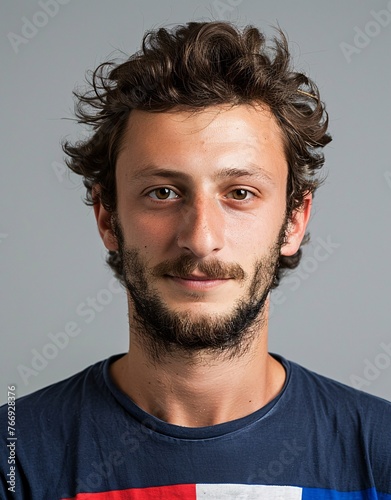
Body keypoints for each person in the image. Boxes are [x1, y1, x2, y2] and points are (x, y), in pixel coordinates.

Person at [1, 21, 390, 500]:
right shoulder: (13, 459)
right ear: (108, 218)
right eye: (162, 192)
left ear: (293, 220)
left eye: (240, 193)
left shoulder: (381, 453)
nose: (201, 240)